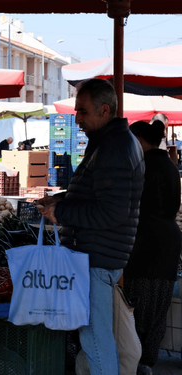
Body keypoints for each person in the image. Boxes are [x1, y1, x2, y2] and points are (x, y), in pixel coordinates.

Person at [37, 78, 144, 375]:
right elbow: (99, 195)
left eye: (82, 111)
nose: (77, 118)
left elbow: (111, 212)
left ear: (104, 110)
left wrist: (63, 212)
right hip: (101, 255)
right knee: (97, 339)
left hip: (97, 258)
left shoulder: (114, 149)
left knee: (96, 341)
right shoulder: (110, 144)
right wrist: (60, 200)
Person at [123, 120, 181, 375]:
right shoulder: (168, 164)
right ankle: (146, 362)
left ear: (137, 139)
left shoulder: (145, 166)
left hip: (147, 244)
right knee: (156, 308)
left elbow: (132, 206)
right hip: (166, 243)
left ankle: (135, 362)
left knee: (136, 307)